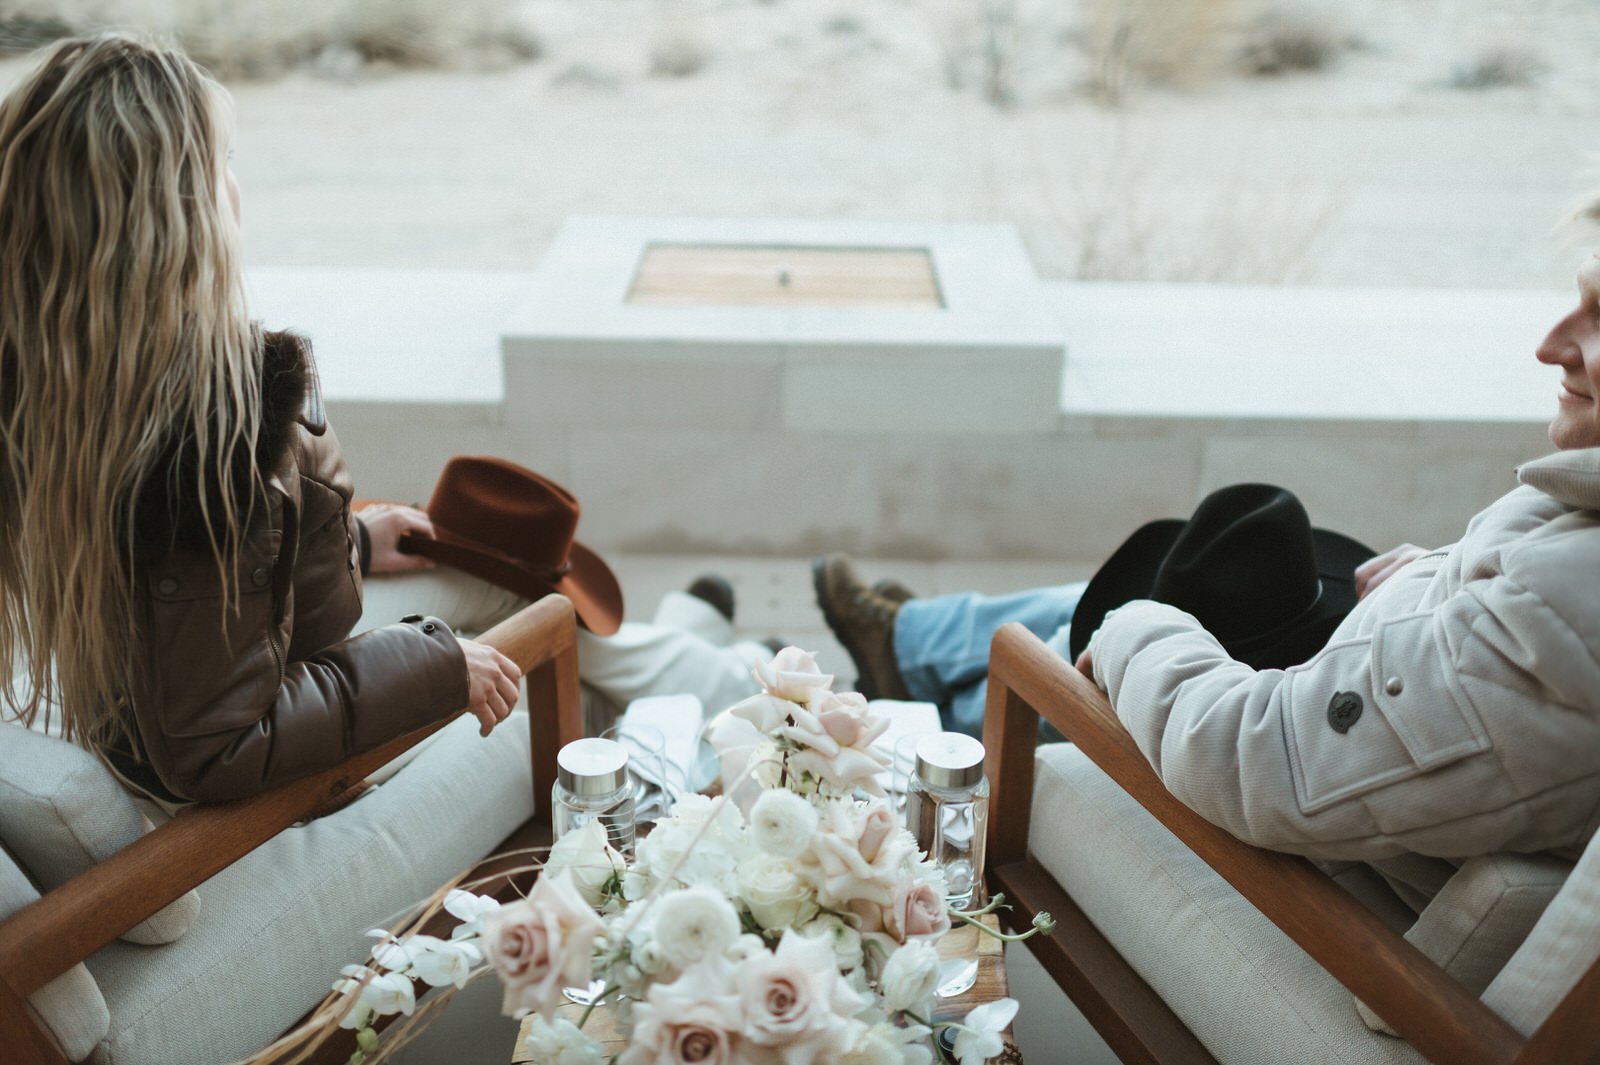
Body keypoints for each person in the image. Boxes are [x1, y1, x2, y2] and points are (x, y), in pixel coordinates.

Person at [822, 251, 1600, 865]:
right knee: (1175, 587)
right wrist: (1438, 570)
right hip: (1332, 696)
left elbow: (1264, 764)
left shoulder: (1556, 611)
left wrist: (1135, 628)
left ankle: (914, 657)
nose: (1552, 344)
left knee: (1124, 620)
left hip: (1265, 813)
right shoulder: (1566, 556)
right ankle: (914, 642)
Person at [0, 35, 526, 804]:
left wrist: (353, 541)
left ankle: (687, 657)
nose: (238, 187)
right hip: (292, 758)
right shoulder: (212, 436)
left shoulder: (57, 388)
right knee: (532, 617)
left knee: (494, 565)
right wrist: (441, 668)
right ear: (177, 218)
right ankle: (689, 690)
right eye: (225, 163)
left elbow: (209, 593)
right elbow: (222, 744)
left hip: (240, 670)